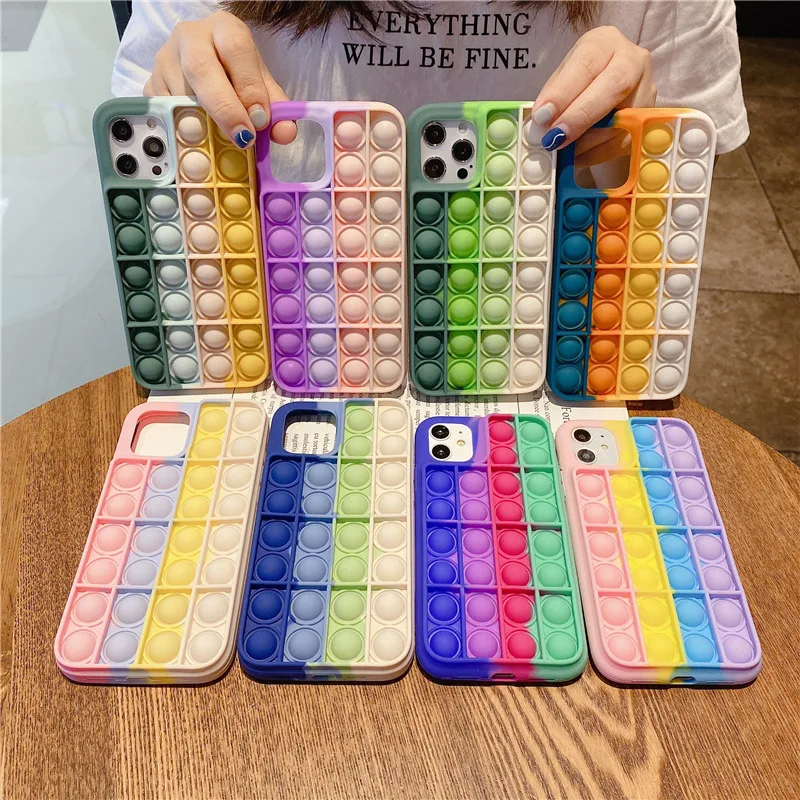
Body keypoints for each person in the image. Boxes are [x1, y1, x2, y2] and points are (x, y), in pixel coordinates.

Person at [113, 0, 748, 160]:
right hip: (290, 350)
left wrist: (632, 147)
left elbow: (658, 263)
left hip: (540, 356)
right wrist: (181, 115)